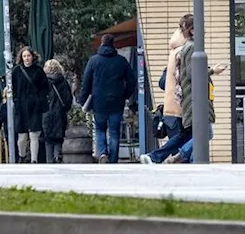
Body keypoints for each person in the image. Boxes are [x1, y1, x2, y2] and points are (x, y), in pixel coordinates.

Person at [169, 14, 226, 164]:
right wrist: (212, 70)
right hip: (196, 98)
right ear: (193, 31)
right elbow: (192, 72)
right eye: (201, 27)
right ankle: (181, 155)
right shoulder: (193, 47)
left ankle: (194, 166)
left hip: (193, 97)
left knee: (201, 136)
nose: (205, 30)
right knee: (205, 133)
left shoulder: (189, 46)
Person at [78, 33, 136, 163]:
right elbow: (132, 80)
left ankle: (103, 152)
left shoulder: (94, 60)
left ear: (102, 43)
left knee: (100, 129)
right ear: (113, 44)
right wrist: (125, 94)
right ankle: (113, 159)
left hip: (99, 102)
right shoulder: (121, 61)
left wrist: (83, 99)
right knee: (115, 132)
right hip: (117, 101)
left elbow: (86, 82)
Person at [142, 15, 191, 164]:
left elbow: (163, 82)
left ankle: (156, 157)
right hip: (182, 106)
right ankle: (159, 156)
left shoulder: (174, 53)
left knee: (185, 137)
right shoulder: (183, 52)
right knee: (201, 133)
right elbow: (186, 76)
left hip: (173, 109)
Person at [12, 46, 48, 163]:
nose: (27, 58)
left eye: (28, 56)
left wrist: (39, 100)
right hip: (21, 107)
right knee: (22, 137)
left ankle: (34, 160)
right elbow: (13, 87)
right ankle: (22, 156)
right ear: (21, 58)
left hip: (35, 107)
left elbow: (45, 87)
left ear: (32, 57)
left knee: (34, 135)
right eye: (24, 56)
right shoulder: (16, 71)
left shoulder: (38, 71)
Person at [40, 58, 73, 163]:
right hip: (60, 115)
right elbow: (68, 101)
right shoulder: (63, 82)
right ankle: (57, 156)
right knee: (59, 139)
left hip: (46, 114)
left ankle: (50, 161)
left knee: (48, 140)